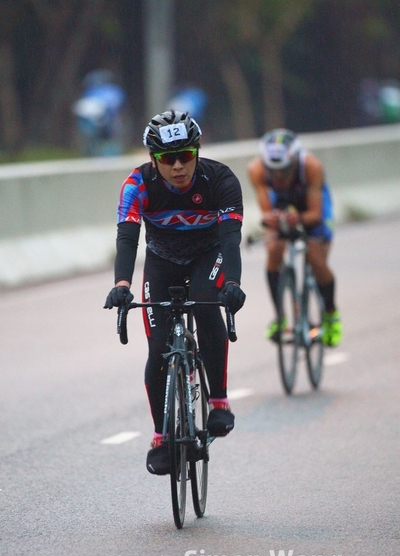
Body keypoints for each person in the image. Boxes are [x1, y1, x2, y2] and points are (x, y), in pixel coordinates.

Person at [104, 110, 246, 475]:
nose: (179, 166)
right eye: (169, 159)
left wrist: (232, 282)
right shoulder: (137, 185)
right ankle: (161, 437)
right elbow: (127, 239)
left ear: (197, 152)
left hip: (208, 255)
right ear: (154, 159)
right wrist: (122, 285)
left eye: (186, 155)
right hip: (162, 260)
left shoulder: (221, 180)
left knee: (205, 303)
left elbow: (231, 239)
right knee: (158, 349)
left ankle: (218, 402)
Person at [247, 128, 342, 347]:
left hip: (311, 206)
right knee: (273, 249)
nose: (278, 177)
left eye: (284, 170)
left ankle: (330, 315)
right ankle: (280, 317)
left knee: (315, 258)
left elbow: (315, 215)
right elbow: (267, 214)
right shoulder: (256, 169)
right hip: (282, 204)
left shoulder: (312, 167)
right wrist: (274, 220)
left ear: (295, 162)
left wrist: (297, 219)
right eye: (273, 171)